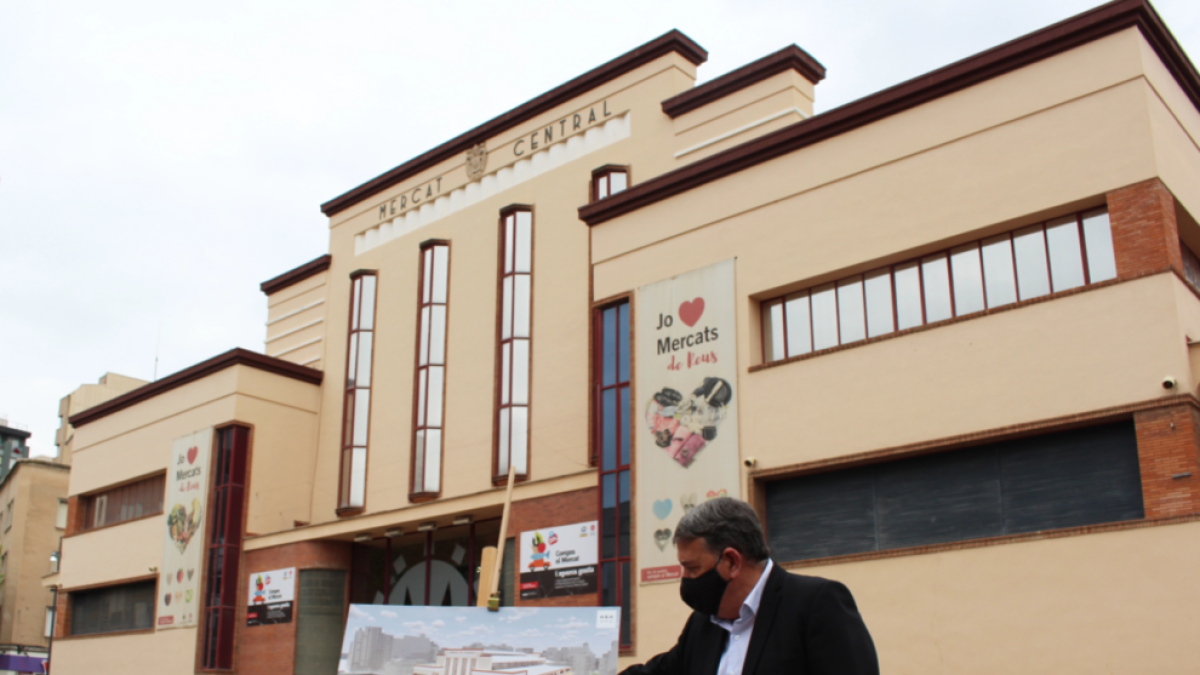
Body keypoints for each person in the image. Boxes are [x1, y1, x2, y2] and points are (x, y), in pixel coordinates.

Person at [620, 497, 878, 675]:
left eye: (693, 568)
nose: (686, 578)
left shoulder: (816, 604)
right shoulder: (703, 624)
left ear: (732, 561)